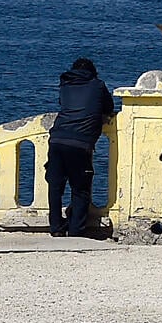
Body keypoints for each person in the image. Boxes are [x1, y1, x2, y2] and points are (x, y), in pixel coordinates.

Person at [47, 57, 115, 237]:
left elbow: (63, 105)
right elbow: (109, 108)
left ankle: (55, 228)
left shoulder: (65, 85)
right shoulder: (98, 85)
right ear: (93, 73)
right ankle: (76, 230)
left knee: (55, 186)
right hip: (80, 143)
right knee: (80, 189)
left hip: (57, 139)